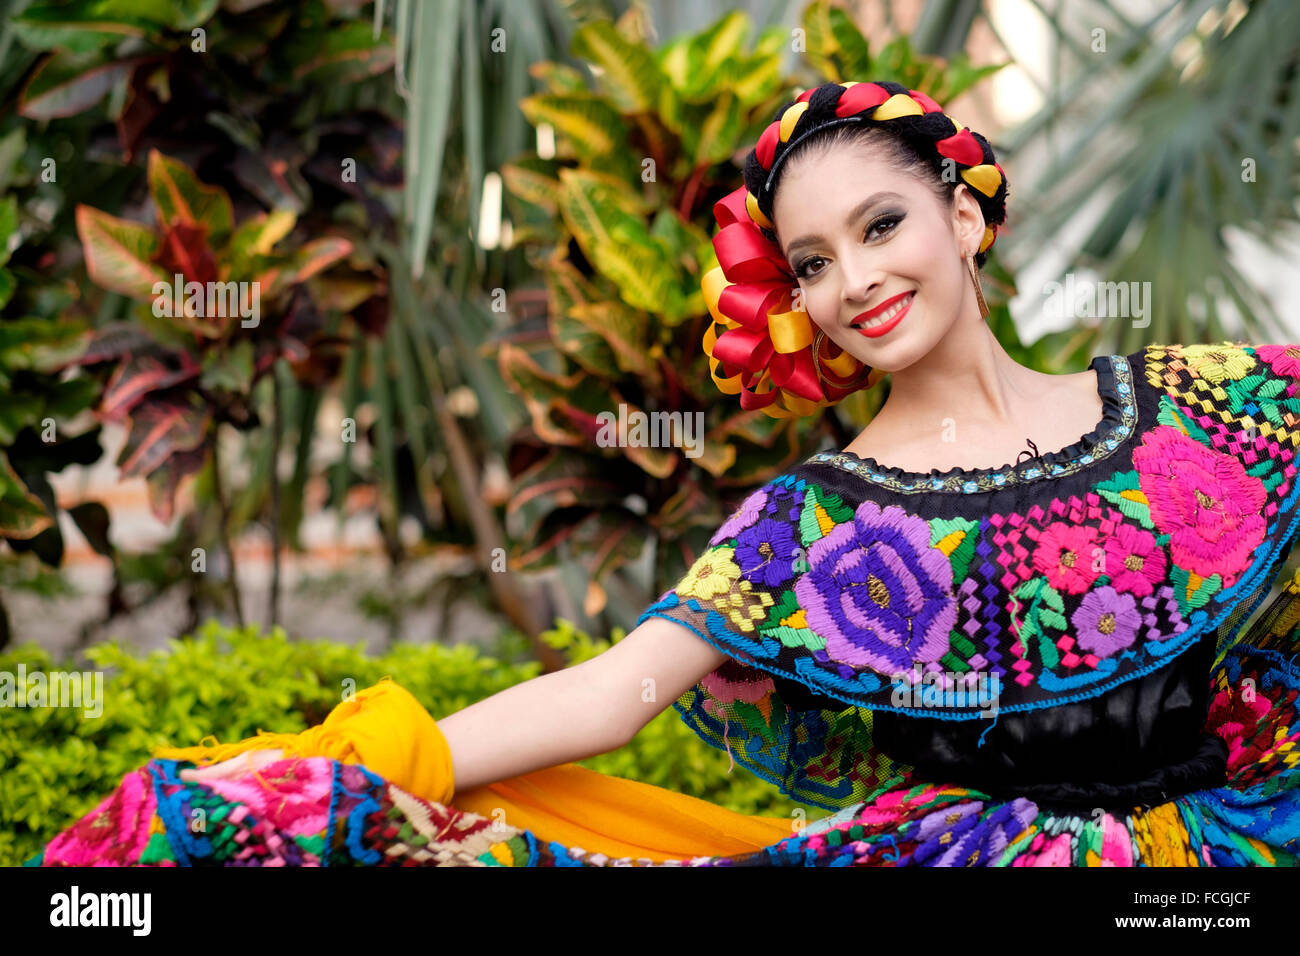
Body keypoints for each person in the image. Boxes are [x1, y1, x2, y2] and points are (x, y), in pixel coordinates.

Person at [30, 79, 1300, 867]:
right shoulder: (823, 521)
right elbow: (611, 694)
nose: (855, 281)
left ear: (962, 216)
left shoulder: (1193, 405)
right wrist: (365, 758)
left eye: (881, 225)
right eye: (811, 263)